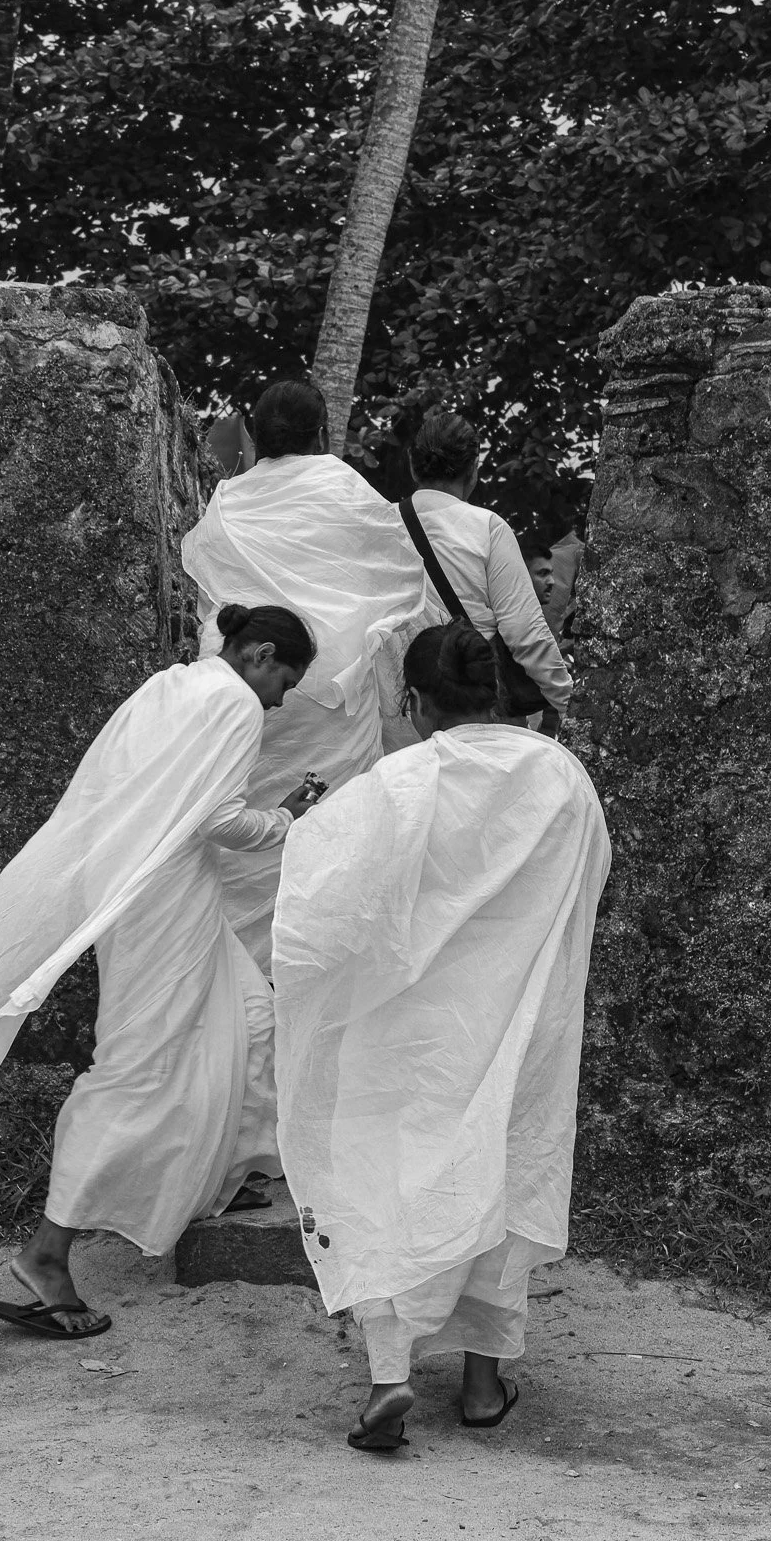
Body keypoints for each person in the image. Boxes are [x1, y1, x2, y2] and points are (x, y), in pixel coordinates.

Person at [0, 604, 323, 1338]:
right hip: (163, 900)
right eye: (285, 681)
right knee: (136, 1068)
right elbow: (217, 820)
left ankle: (213, 1180)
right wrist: (286, 818)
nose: (281, 700)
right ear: (259, 654)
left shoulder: (170, 686)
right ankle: (47, 1254)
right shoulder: (234, 704)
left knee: (252, 1018)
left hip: (135, 887)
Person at [272, 622, 611, 1451]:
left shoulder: (399, 782)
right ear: (492, 690)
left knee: (390, 1178)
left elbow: (322, 910)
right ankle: (482, 1388)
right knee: (498, 1171)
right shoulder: (559, 776)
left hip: (409, 1030)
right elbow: (586, 886)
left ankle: (390, 1377)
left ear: (416, 701)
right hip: (519, 1020)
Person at [181, 378, 432, 974]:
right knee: (326, 849)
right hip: (332, 704)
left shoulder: (230, 500)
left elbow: (212, 596)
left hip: (247, 686)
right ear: (322, 434)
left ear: (254, 435)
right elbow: (398, 583)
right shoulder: (345, 489)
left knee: (233, 823)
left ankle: (230, 983)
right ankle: (307, 983)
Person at [400, 411, 572, 735]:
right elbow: (525, 632)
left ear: (412, 464)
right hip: (476, 711)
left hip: (402, 711)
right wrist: (568, 700)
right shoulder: (487, 529)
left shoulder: (382, 524)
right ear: (473, 469)